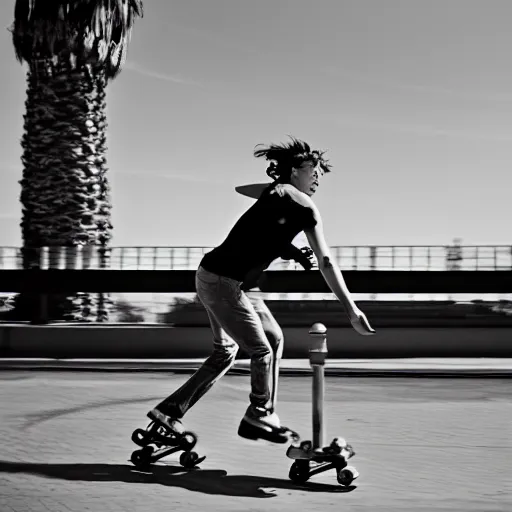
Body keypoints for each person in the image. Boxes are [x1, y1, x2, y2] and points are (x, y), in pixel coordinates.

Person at [147, 136, 375, 444]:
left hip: (219, 278)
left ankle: (170, 410)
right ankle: (258, 413)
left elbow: (267, 221)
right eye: (314, 169)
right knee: (261, 349)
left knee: (244, 347)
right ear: (295, 170)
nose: (319, 176)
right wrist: (351, 308)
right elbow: (327, 262)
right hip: (221, 282)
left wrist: (294, 250)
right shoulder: (300, 203)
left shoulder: (277, 195)